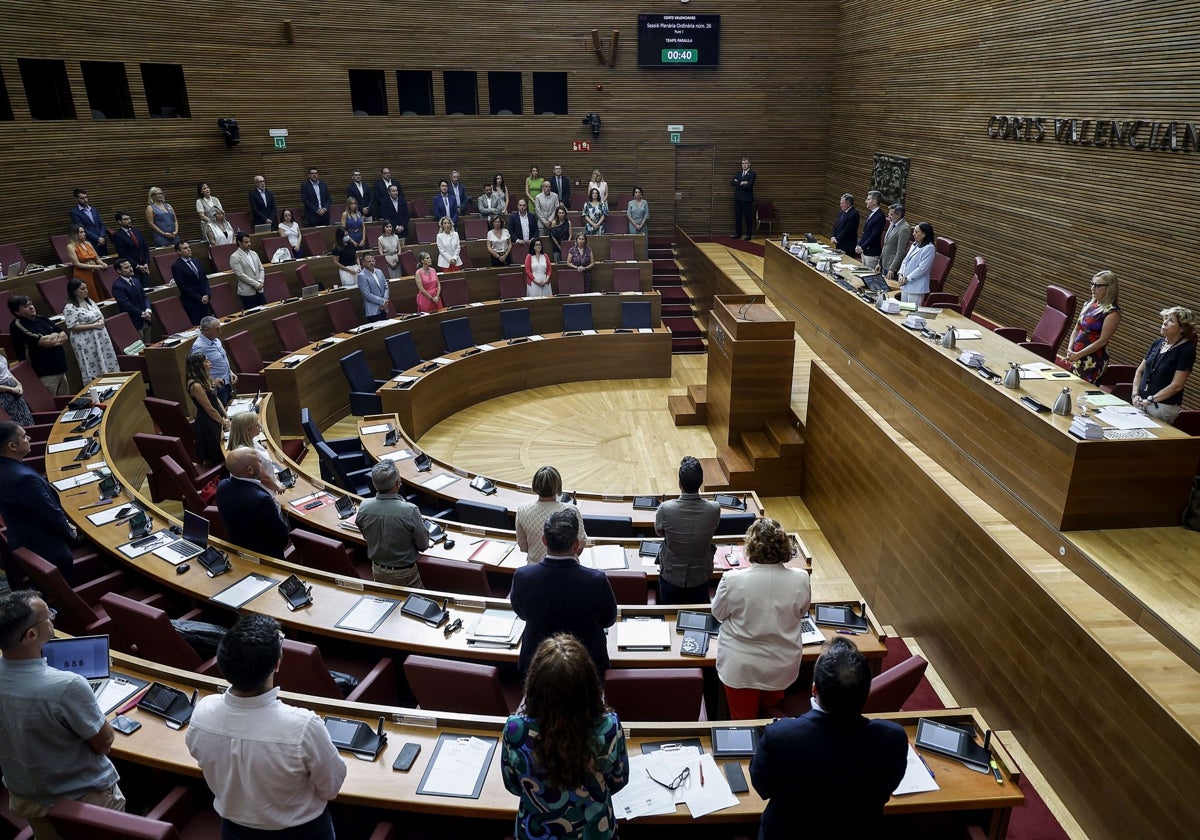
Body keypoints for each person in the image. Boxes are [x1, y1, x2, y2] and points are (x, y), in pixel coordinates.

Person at [186, 613, 346, 840]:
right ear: (277, 663)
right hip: (303, 833)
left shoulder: (202, 712)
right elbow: (331, 788)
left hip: (234, 831)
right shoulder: (304, 726)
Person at [749, 637, 908, 838]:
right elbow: (888, 786)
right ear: (866, 692)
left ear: (814, 689)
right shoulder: (892, 738)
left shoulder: (780, 737)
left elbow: (762, 787)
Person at [0, 590, 125, 840]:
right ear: (32, 634)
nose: (53, 620)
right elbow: (104, 743)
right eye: (48, 617)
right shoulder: (66, 685)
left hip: (27, 800)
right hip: (84, 803)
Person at [501, 634, 628, 840]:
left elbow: (512, 785)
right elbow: (618, 781)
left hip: (536, 833)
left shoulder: (515, 730)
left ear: (533, 685)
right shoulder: (609, 728)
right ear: (590, 685)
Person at [711, 518, 811, 719]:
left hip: (740, 667)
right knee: (769, 713)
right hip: (780, 665)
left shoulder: (732, 579)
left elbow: (718, 614)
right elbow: (801, 612)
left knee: (744, 721)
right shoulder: (801, 577)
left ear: (750, 548)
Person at [509, 509, 617, 675]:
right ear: (576, 545)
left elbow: (522, 614)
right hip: (586, 669)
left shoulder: (523, 576)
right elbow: (608, 620)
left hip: (537, 667)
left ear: (544, 540)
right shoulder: (596, 580)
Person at [0, 423, 78, 581]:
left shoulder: (7, 468)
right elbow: (50, 513)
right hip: (49, 552)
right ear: (12, 446)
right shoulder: (23, 479)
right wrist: (71, 533)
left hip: (24, 539)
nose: (29, 439)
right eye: (24, 436)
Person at [654, 455, 720, 605]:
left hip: (671, 575)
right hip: (701, 576)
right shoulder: (714, 509)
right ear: (701, 482)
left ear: (679, 484)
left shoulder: (665, 509)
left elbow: (660, 532)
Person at [356, 461, 430, 588]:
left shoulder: (364, 507)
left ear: (374, 484)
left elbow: (366, 535)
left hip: (377, 570)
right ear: (397, 484)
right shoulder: (410, 510)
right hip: (405, 574)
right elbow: (423, 545)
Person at [217, 447, 291, 559]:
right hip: (268, 559)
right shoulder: (261, 499)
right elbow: (281, 539)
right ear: (250, 470)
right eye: (259, 462)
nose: (261, 463)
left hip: (238, 551)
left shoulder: (222, 486)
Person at [1132, 306, 1197, 425]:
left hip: (1161, 407)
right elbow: (1139, 371)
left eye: (1171, 320)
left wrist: (1151, 400)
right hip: (1140, 401)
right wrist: (1135, 394)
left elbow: (1177, 386)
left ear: (1182, 328)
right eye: (1165, 318)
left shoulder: (1186, 350)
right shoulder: (1157, 343)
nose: (1165, 322)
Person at [514, 466, 587, 564]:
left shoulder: (522, 510)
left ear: (535, 485)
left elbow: (522, 546)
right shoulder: (572, 510)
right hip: (568, 569)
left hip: (535, 569)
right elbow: (580, 544)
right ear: (558, 485)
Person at [1065, 271, 1122, 383]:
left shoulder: (1112, 312)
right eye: (1092, 284)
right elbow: (1077, 329)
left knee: (1083, 393)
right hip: (1077, 356)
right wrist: (1070, 349)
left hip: (1093, 360)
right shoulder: (1088, 304)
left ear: (1109, 288)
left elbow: (1102, 341)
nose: (1093, 288)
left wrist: (1078, 354)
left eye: (1098, 286)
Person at [7, 296, 70, 396]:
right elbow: (44, 342)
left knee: (66, 402)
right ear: (17, 312)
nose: (31, 307)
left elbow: (64, 336)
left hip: (60, 369)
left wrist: (51, 338)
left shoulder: (41, 319)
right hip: (43, 373)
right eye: (26, 306)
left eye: (31, 304)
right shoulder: (17, 325)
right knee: (51, 406)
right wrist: (55, 335)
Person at [63, 278, 119, 382]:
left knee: (107, 360)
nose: (86, 291)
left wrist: (101, 321)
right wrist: (93, 326)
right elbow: (72, 326)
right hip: (85, 341)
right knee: (92, 364)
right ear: (74, 291)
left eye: (86, 288)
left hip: (101, 337)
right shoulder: (70, 307)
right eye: (82, 289)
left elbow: (100, 315)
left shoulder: (90, 302)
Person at [227, 411, 285, 494]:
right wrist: (278, 488)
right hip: (262, 492)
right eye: (257, 426)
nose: (260, 426)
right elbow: (263, 477)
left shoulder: (250, 440)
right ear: (248, 431)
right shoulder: (247, 453)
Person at [186, 352, 228, 467]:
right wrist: (222, 421)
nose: (209, 363)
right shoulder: (195, 385)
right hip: (208, 423)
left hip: (217, 418)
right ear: (198, 365)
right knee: (214, 456)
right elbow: (208, 408)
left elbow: (216, 399)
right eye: (206, 361)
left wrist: (225, 415)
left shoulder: (206, 378)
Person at [194, 316, 237, 405]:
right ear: (206, 330)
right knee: (221, 414)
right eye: (217, 329)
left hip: (227, 384)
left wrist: (230, 372)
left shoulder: (216, 340)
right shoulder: (199, 347)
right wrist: (211, 382)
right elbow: (196, 371)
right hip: (216, 388)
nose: (220, 332)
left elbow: (222, 359)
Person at [111, 258, 153, 344]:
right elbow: (126, 305)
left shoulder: (136, 281)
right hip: (134, 322)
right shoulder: (117, 286)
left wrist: (148, 310)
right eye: (126, 268)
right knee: (140, 349)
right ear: (118, 270)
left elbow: (144, 298)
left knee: (149, 346)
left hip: (146, 319)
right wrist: (142, 314)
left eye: (130, 266)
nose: (130, 269)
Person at [171, 241, 212, 325]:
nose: (189, 250)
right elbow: (183, 287)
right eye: (185, 248)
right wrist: (199, 298)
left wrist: (207, 294)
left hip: (205, 300)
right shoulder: (177, 266)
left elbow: (204, 279)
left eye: (189, 247)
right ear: (178, 252)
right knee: (198, 326)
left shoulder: (196, 260)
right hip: (192, 302)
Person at [896, 221, 936, 304]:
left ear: (924, 234)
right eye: (914, 231)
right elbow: (905, 261)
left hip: (916, 287)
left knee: (913, 313)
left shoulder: (929, 248)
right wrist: (900, 274)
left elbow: (922, 269)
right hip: (905, 285)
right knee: (903, 311)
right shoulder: (915, 244)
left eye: (916, 232)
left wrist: (907, 278)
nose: (913, 234)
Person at [65, 223, 106, 301]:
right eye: (81, 232)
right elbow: (76, 264)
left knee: (99, 293)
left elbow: (97, 258)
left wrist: (102, 263)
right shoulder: (70, 246)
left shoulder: (88, 243)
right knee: (91, 295)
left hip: (94, 273)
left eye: (84, 232)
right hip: (83, 274)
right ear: (74, 234)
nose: (84, 234)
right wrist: (94, 266)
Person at [229, 231, 266, 308]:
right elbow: (240, 274)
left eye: (249, 241)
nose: (249, 244)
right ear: (239, 242)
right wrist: (256, 284)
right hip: (247, 292)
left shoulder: (254, 253)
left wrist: (260, 281)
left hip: (259, 289)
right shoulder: (235, 256)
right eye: (246, 242)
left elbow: (261, 268)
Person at [110, 212, 151, 279]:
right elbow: (123, 254)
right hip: (132, 268)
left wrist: (146, 263)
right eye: (125, 219)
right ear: (119, 221)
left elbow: (145, 247)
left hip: (144, 266)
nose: (129, 221)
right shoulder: (117, 235)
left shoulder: (136, 230)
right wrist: (137, 266)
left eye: (129, 219)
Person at [879, 203, 912, 282]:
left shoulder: (904, 228)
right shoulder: (892, 223)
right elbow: (886, 245)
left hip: (892, 267)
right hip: (884, 264)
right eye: (888, 213)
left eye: (891, 214)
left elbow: (901, 251)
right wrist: (879, 263)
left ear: (899, 215)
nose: (888, 216)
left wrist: (892, 268)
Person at [70, 188, 108, 255]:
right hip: (89, 242)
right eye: (82, 198)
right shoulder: (74, 212)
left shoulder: (93, 209)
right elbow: (81, 228)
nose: (85, 200)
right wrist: (97, 239)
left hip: (102, 242)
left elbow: (102, 224)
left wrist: (101, 237)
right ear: (76, 199)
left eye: (86, 197)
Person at [854, 190, 886, 269]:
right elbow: (865, 232)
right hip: (864, 251)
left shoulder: (880, 216)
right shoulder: (872, 213)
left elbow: (874, 235)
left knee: (868, 276)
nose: (866, 201)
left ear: (874, 201)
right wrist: (859, 244)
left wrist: (863, 247)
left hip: (872, 253)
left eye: (868, 199)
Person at [0, 354, 33, 426]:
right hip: (4, 393)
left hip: (14, 387)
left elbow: (7, 372)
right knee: (16, 420)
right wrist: (11, 389)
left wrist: (18, 384)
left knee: (26, 415)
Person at [357, 252, 390, 322]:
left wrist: (384, 302)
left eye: (373, 261)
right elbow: (367, 294)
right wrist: (382, 302)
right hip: (373, 310)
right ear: (363, 263)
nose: (372, 263)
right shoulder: (361, 276)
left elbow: (386, 287)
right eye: (369, 261)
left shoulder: (379, 271)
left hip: (384, 308)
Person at [731, 157, 756, 240]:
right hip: (738, 199)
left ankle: (748, 235)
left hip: (747, 200)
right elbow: (732, 182)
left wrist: (738, 182)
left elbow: (749, 185)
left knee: (748, 218)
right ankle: (738, 233)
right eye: (743, 163)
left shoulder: (752, 173)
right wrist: (742, 182)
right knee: (738, 217)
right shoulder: (738, 173)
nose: (744, 165)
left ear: (749, 164)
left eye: (745, 163)